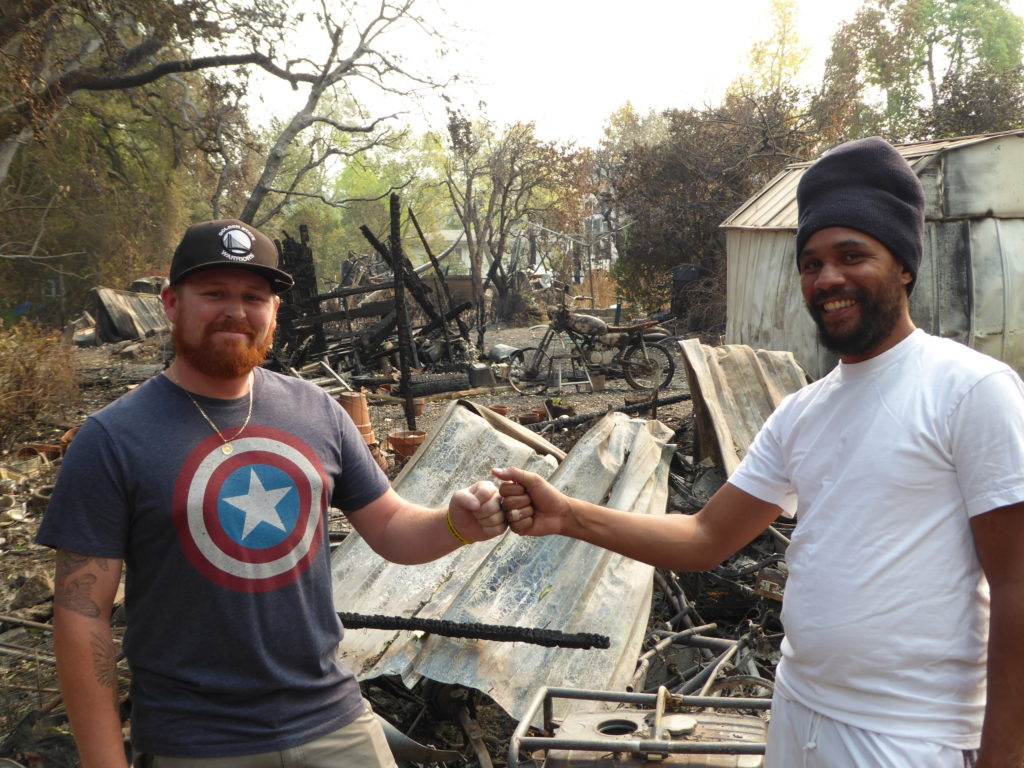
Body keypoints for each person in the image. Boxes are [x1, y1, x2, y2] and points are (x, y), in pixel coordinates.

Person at [493, 137, 1024, 768]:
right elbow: (703, 536)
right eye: (811, 262)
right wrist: (567, 516)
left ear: (904, 264)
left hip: (910, 735)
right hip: (797, 713)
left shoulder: (970, 391)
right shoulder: (804, 411)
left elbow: (1017, 586)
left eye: (852, 255)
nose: (828, 278)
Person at [37, 219, 506, 768]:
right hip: (196, 743)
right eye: (214, 293)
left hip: (333, 719)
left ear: (274, 312)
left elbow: (391, 529)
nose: (236, 310)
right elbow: (80, 612)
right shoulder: (111, 440)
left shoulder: (318, 412)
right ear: (170, 303)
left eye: (253, 297)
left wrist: (456, 524)